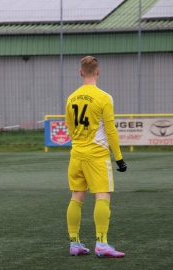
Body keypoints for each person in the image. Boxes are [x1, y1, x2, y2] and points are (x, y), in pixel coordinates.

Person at [65, 56, 127, 257]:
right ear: (98, 72)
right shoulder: (104, 97)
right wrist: (119, 158)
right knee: (102, 196)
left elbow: (70, 127)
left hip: (76, 154)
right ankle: (101, 243)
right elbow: (111, 131)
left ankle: (74, 244)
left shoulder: (71, 97)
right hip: (97, 155)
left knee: (76, 198)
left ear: (81, 72)